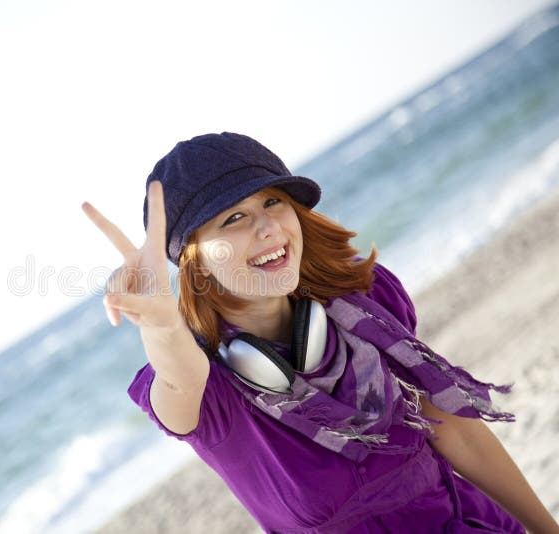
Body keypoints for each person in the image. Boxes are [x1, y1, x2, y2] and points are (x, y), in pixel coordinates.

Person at [81, 132, 557, 533]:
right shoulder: (211, 396)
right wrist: (163, 324)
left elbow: (457, 431)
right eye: (234, 218)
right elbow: (178, 378)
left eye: (273, 201)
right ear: (194, 259)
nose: (268, 226)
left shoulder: (364, 304)